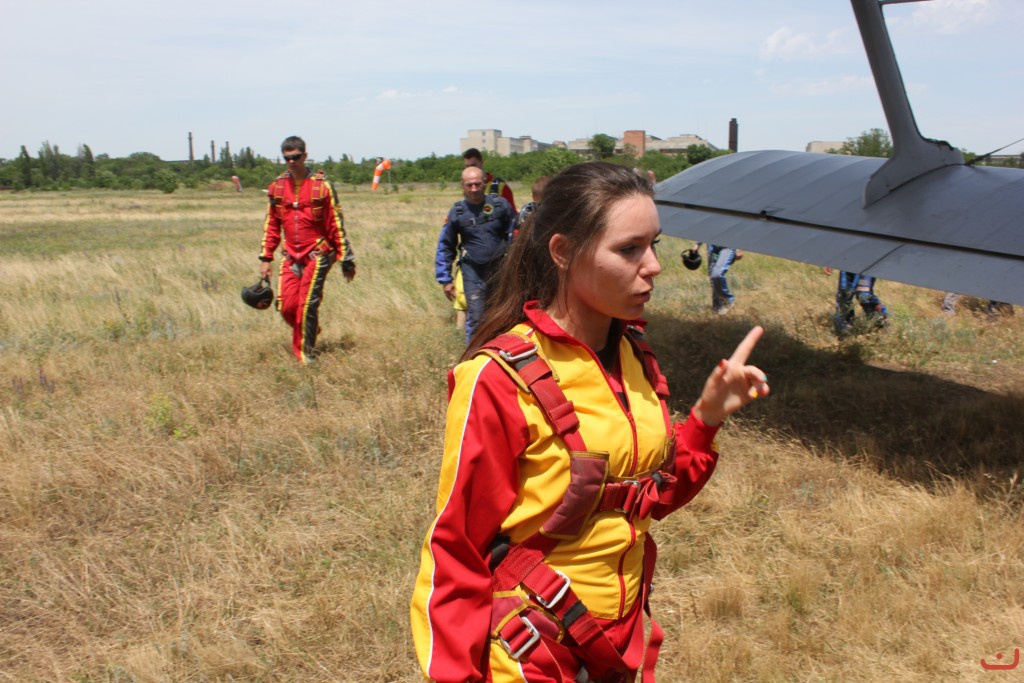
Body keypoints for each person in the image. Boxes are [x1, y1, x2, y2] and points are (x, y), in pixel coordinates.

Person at [411, 162, 770, 682]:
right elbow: (455, 548)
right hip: (532, 656)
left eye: (654, 244)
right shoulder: (498, 378)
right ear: (562, 252)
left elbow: (649, 497)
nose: (654, 266)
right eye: (629, 249)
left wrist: (706, 417)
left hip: (617, 648)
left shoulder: (634, 356)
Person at [258, 136, 356, 363]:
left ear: (305, 156)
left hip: (318, 254)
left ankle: (305, 357)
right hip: (290, 255)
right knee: (286, 306)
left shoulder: (322, 187)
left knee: (306, 305)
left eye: (296, 157)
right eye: (287, 158)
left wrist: (346, 258)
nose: (292, 162)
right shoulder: (277, 188)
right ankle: (309, 328)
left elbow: (336, 224)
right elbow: (272, 225)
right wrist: (266, 258)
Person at [435, 166, 516, 344]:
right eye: (469, 185)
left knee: (503, 315)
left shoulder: (500, 205)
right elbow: (446, 245)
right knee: (476, 317)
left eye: (477, 184)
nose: (474, 189)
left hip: (500, 269)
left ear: (484, 183)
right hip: (473, 272)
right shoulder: (457, 212)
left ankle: (502, 352)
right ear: (462, 185)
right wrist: (445, 279)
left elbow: (516, 234)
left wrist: (517, 265)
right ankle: (473, 354)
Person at [824, 268, 887, 337]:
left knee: (863, 295)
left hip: (867, 265)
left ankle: (879, 322)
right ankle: (846, 329)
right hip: (848, 264)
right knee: (845, 294)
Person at [689, 242, 741, 314]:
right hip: (712, 248)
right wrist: (697, 244)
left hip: (727, 247)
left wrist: (738, 248)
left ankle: (727, 300)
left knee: (716, 274)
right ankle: (718, 308)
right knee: (713, 279)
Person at [463, 147, 517, 213]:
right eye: (467, 166)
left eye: (473, 165)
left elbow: (512, 215)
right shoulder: (467, 187)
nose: (470, 169)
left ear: (482, 162)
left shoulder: (500, 187)